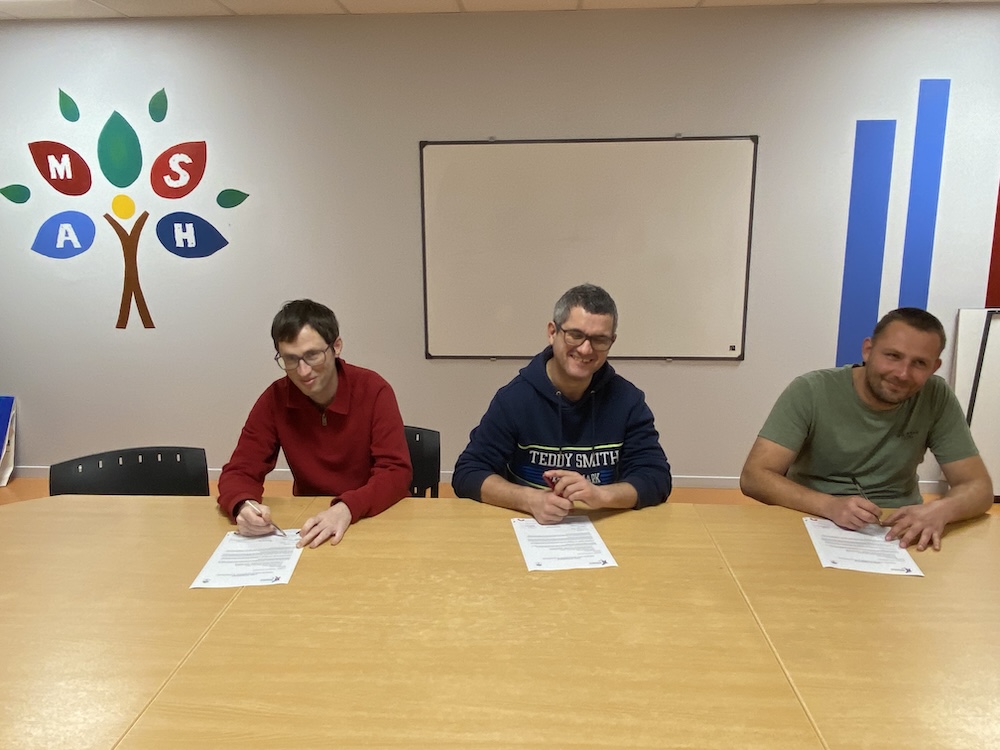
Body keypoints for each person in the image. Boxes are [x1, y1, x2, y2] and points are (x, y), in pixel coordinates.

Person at [740, 307, 993, 551]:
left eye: (919, 363)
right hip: (813, 517)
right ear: (868, 350)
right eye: (892, 356)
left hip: (899, 530)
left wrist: (942, 510)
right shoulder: (811, 390)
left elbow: (978, 487)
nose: (902, 373)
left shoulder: (937, 396)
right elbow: (755, 476)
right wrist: (830, 506)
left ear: (934, 368)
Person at [453, 283, 672, 524]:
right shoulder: (514, 399)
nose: (586, 349)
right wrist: (529, 500)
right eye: (575, 335)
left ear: (612, 341)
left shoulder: (627, 400)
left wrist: (601, 495)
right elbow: (468, 473)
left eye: (599, 339)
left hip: (605, 527)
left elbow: (656, 477)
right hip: (531, 528)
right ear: (552, 332)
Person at [217, 299, 411, 548]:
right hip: (310, 522)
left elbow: (396, 472)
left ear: (336, 347)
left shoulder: (374, 390)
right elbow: (240, 470)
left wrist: (347, 508)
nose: (303, 371)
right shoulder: (275, 399)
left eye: (312, 356)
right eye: (290, 359)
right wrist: (243, 505)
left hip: (374, 516)